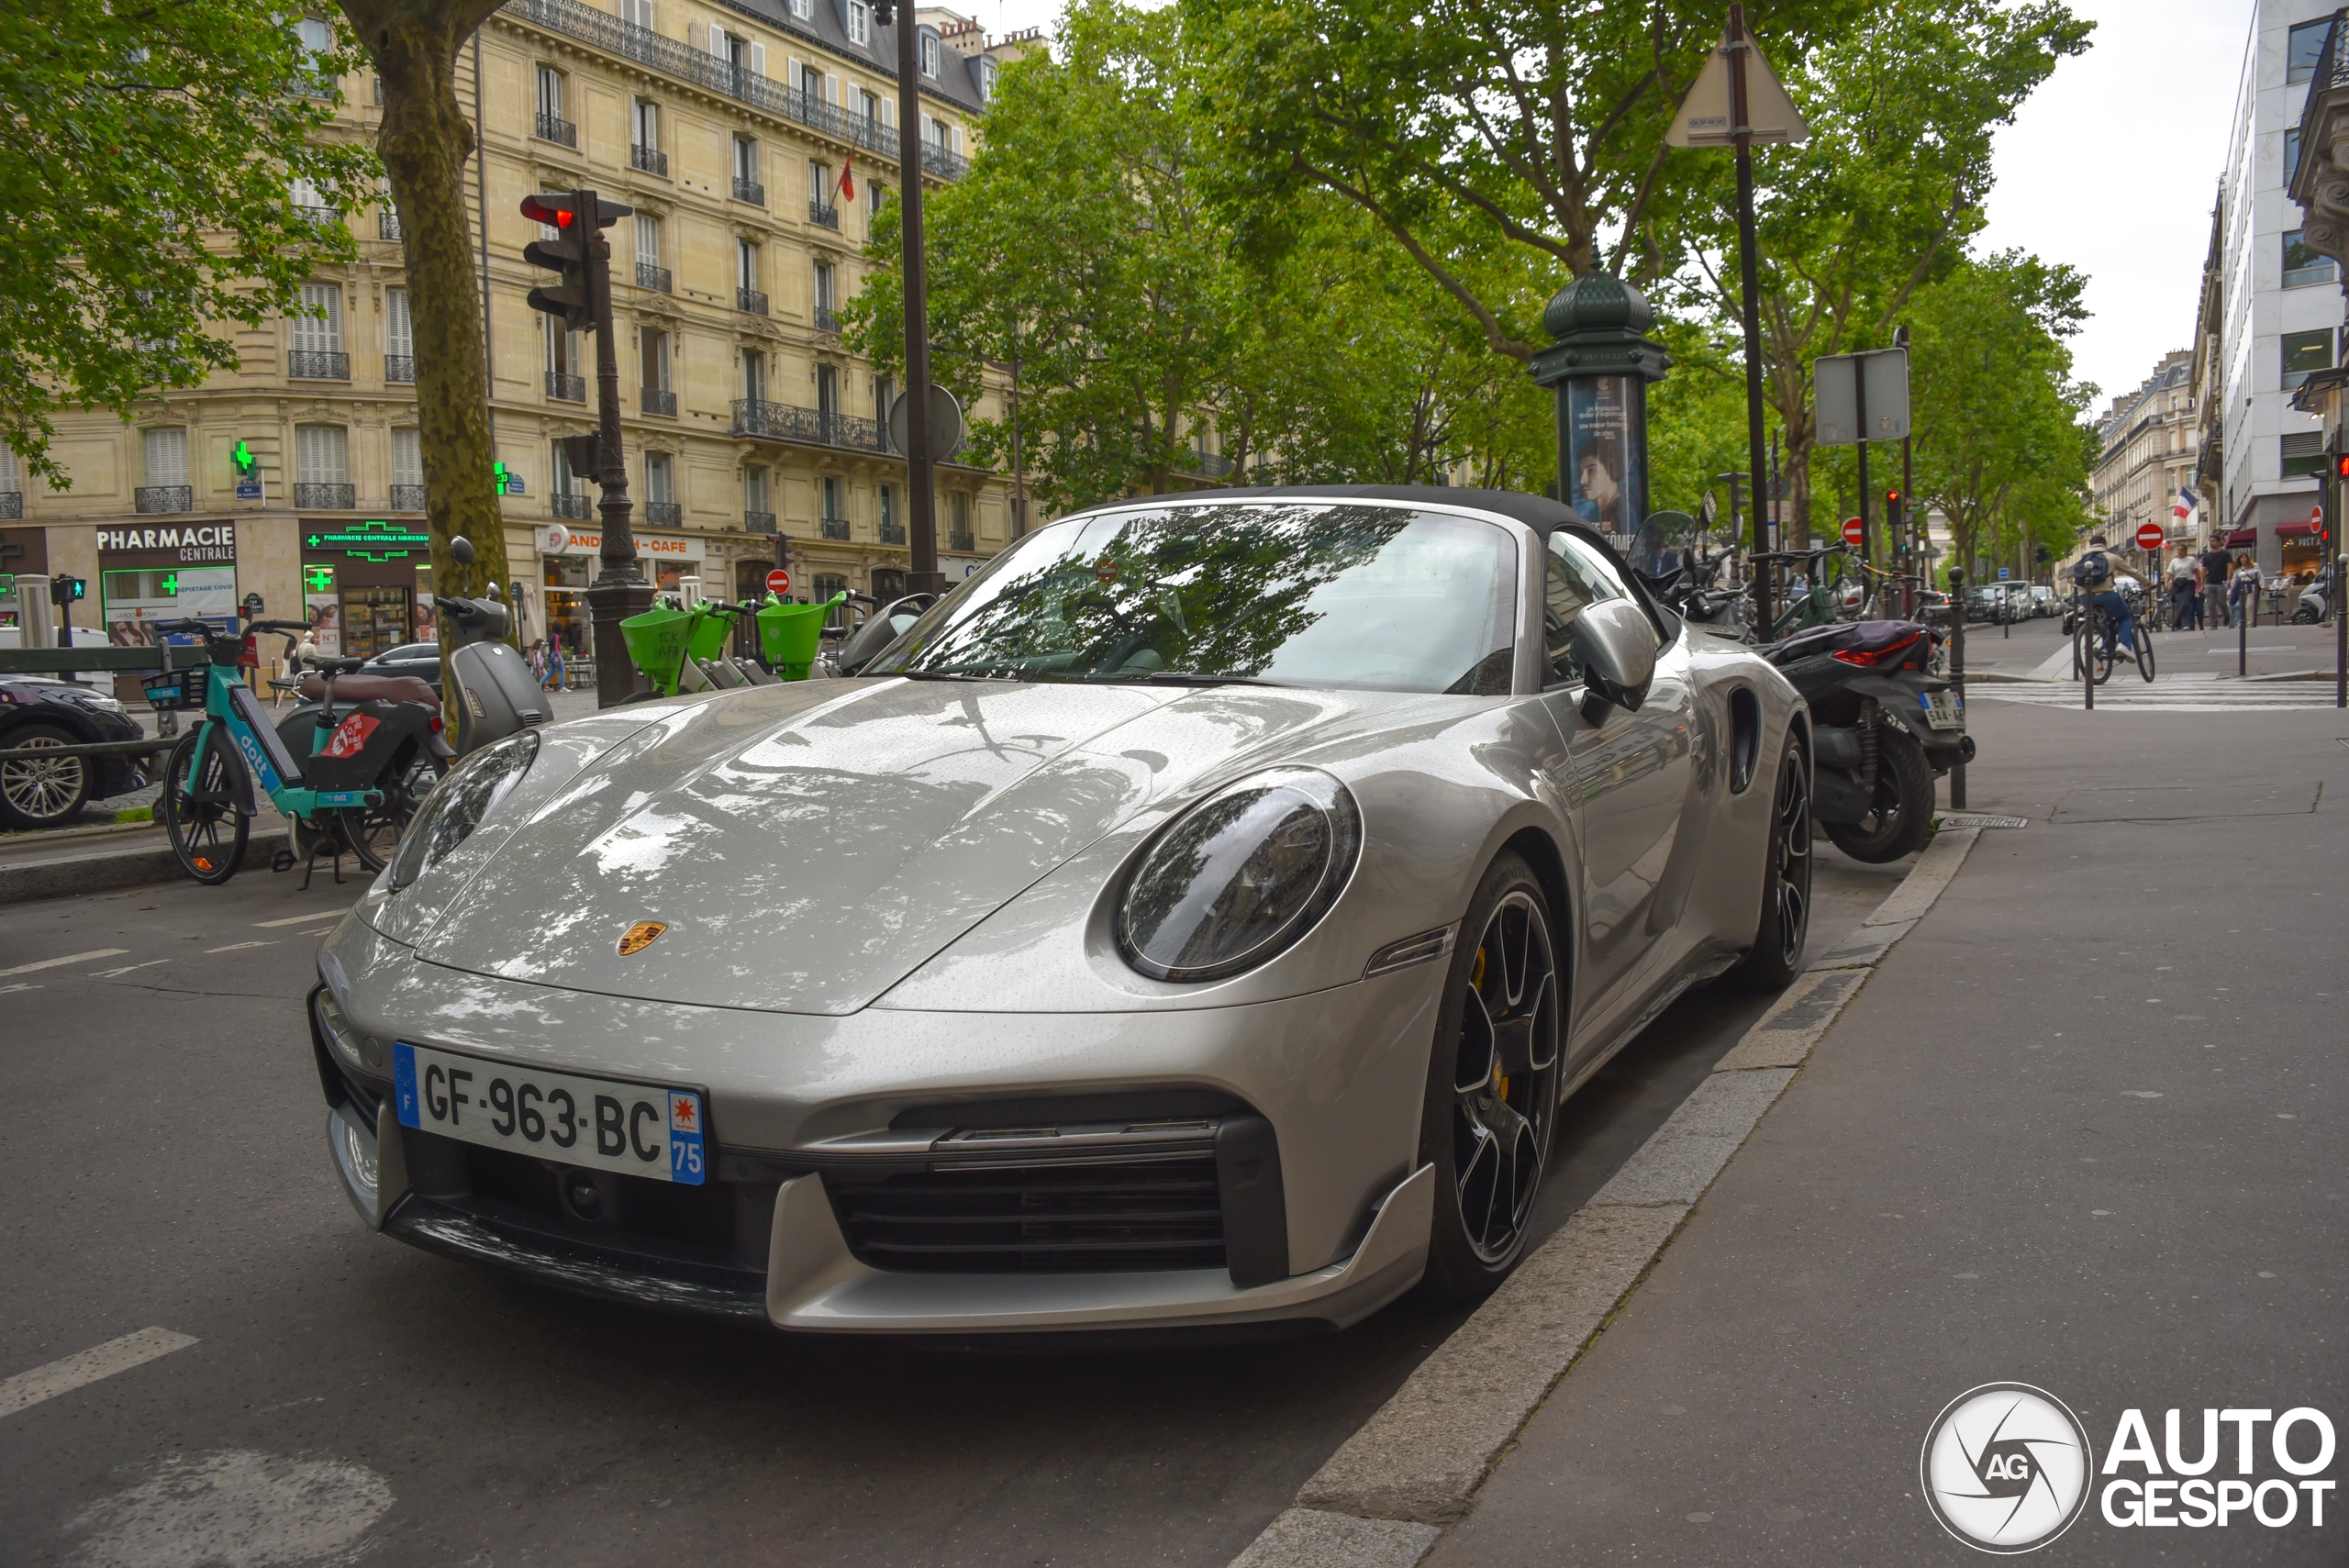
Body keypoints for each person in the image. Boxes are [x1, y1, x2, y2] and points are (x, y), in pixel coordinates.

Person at [2070, 534, 2135, 653]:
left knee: (2105, 620)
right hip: (2106, 596)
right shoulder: (2112, 558)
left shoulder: (2082, 560)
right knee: (2125, 617)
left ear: (2090, 546)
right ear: (2105, 545)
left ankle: (2108, 650)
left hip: (2085, 598)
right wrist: (2148, 584)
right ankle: (2124, 645)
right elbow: (2133, 572)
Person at [2167, 544, 2203, 631]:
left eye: (2182, 550)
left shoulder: (2191, 560)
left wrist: (2200, 584)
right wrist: (2166, 582)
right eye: (2178, 550)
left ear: (2185, 551)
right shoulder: (2174, 562)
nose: (2180, 552)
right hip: (2177, 584)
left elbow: (2196, 572)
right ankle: (2182, 624)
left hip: (2188, 583)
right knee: (2180, 604)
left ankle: (2178, 624)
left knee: (2185, 603)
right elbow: (2169, 573)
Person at [2199, 539, 2232, 628]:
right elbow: (2203, 570)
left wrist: (2229, 579)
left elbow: (2230, 566)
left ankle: (2226, 615)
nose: (2211, 543)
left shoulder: (2225, 554)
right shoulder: (2207, 556)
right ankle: (2214, 623)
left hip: (2221, 582)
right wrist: (2202, 584)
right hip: (2209, 583)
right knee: (2211, 604)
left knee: (2222, 602)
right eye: (2210, 541)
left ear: (2218, 542)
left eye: (2213, 541)